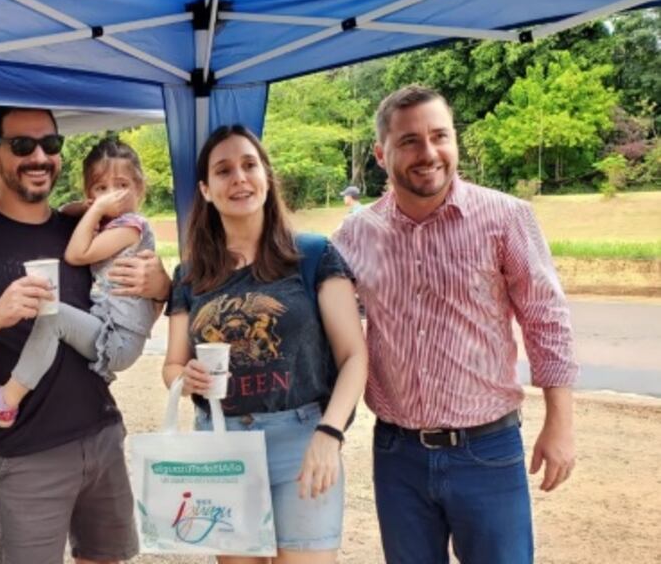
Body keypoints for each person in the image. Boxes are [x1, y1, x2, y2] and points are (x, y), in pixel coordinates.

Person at [333, 85, 578, 564]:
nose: (429, 153)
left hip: (488, 449)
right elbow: (323, 321)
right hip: (397, 453)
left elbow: (546, 320)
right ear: (382, 155)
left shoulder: (506, 217)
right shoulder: (355, 235)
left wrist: (560, 424)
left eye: (439, 136)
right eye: (409, 141)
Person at [0, 106, 170, 564]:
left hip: (103, 434)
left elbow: (133, 307)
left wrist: (161, 287)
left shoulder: (84, 229)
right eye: (22, 145)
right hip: (27, 453)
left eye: (50, 144)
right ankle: (5, 398)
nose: (39, 156)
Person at [163, 125, 368, 563]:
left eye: (249, 165)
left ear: (266, 176)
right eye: (224, 170)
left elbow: (354, 355)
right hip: (222, 444)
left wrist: (329, 434)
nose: (239, 178)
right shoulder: (189, 275)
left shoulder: (312, 255)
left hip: (302, 440)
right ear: (205, 189)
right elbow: (171, 366)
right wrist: (187, 378)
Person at [0, 136, 159, 427]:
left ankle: (6, 400)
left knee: (52, 316)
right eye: (101, 188)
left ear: (140, 188)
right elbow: (65, 211)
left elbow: (76, 254)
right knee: (53, 318)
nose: (111, 195)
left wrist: (96, 209)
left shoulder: (131, 227)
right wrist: (91, 207)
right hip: (111, 332)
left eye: (122, 186)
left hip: (119, 339)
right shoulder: (108, 222)